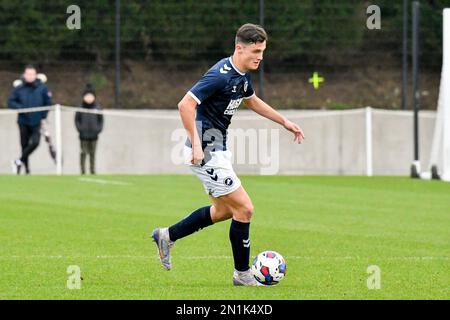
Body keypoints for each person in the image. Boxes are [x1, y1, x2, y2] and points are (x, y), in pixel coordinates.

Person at [151, 24, 305, 286]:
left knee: (223, 211)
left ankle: (167, 235)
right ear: (239, 48)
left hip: (219, 148)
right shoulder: (220, 75)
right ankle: (242, 274)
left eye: (263, 51)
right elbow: (185, 104)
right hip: (207, 152)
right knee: (245, 209)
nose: (260, 56)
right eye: (256, 50)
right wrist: (197, 145)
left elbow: (252, 100)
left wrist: (284, 122)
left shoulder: (241, 75)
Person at [8, 65, 53, 175]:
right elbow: (11, 102)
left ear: (35, 75)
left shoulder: (42, 88)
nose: (30, 76)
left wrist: (43, 116)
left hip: (36, 121)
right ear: (24, 75)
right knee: (24, 145)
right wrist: (20, 108)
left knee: (35, 142)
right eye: (28, 74)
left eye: (32, 74)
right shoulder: (19, 88)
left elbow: (48, 103)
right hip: (23, 121)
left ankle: (18, 161)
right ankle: (27, 170)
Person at [75, 84, 104, 175]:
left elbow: (101, 120)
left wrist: (98, 130)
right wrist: (80, 129)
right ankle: (82, 171)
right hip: (83, 135)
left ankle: (92, 171)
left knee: (93, 153)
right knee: (83, 152)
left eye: (90, 96)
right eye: (87, 96)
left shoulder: (97, 108)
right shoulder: (80, 108)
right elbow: (76, 120)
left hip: (94, 135)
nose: (89, 98)